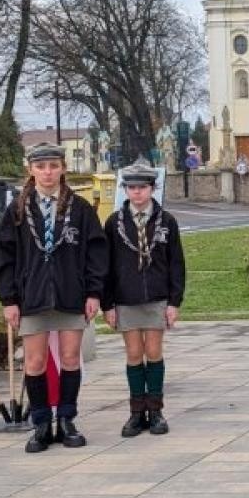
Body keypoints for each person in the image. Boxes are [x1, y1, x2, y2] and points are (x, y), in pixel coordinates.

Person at [0, 143, 108, 453]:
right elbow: (4, 256)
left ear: (62, 169)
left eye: (53, 166)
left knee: (71, 358)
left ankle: (67, 420)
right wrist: (9, 299)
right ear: (30, 169)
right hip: (32, 297)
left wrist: (94, 292)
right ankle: (42, 424)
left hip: (71, 294)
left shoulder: (80, 209)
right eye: (41, 167)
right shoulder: (18, 210)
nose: (47, 172)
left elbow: (96, 253)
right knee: (35, 361)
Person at [103, 162, 186, 438]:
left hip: (156, 297)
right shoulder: (115, 223)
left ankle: (156, 410)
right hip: (125, 298)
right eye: (132, 188)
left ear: (152, 189)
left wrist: (174, 302)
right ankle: (136, 411)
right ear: (125, 190)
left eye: (142, 187)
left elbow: (176, 264)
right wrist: (108, 304)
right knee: (134, 354)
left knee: (154, 352)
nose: (137, 193)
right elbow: (107, 266)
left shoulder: (166, 221)